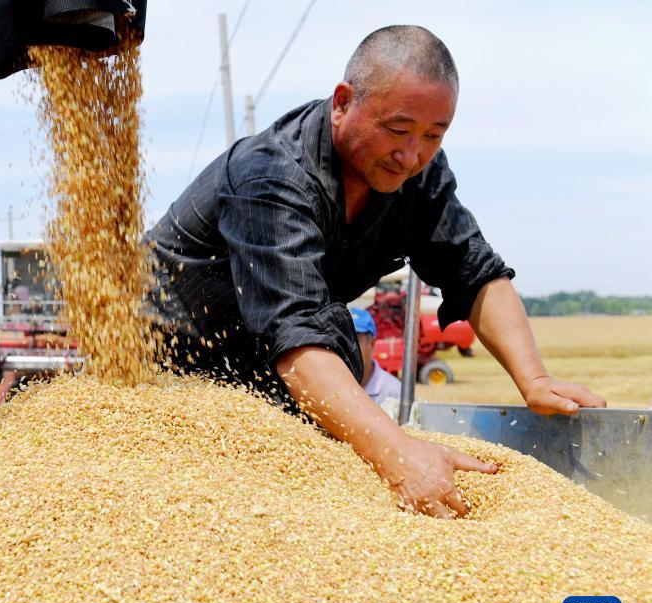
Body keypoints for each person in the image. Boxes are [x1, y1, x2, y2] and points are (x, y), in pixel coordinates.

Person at [146, 25, 606, 519]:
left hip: (262, 377)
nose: (412, 155)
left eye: (434, 135)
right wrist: (397, 452)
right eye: (397, 129)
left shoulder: (416, 175)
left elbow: (475, 271)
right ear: (343, 102)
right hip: (169, 380)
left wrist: (533, 378)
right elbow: (297, 334)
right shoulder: (271, 175)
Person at [350, 308, 402, 406]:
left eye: (354, 340)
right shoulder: (329, 388)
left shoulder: (394, 392)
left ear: (372, 344)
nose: (347, 347)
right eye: (342, 339)